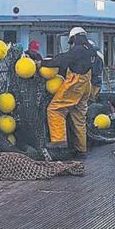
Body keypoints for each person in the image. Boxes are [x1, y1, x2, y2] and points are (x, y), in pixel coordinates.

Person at [41, 27, 96, 158]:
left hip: (76, 83)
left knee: (54, 109)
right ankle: (81, 150)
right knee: (79, 117)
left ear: (74, 38)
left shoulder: (78, 49)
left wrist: (41, 63)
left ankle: (59, 141)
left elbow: (62, 60)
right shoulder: (91, 49)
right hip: (86, 84)